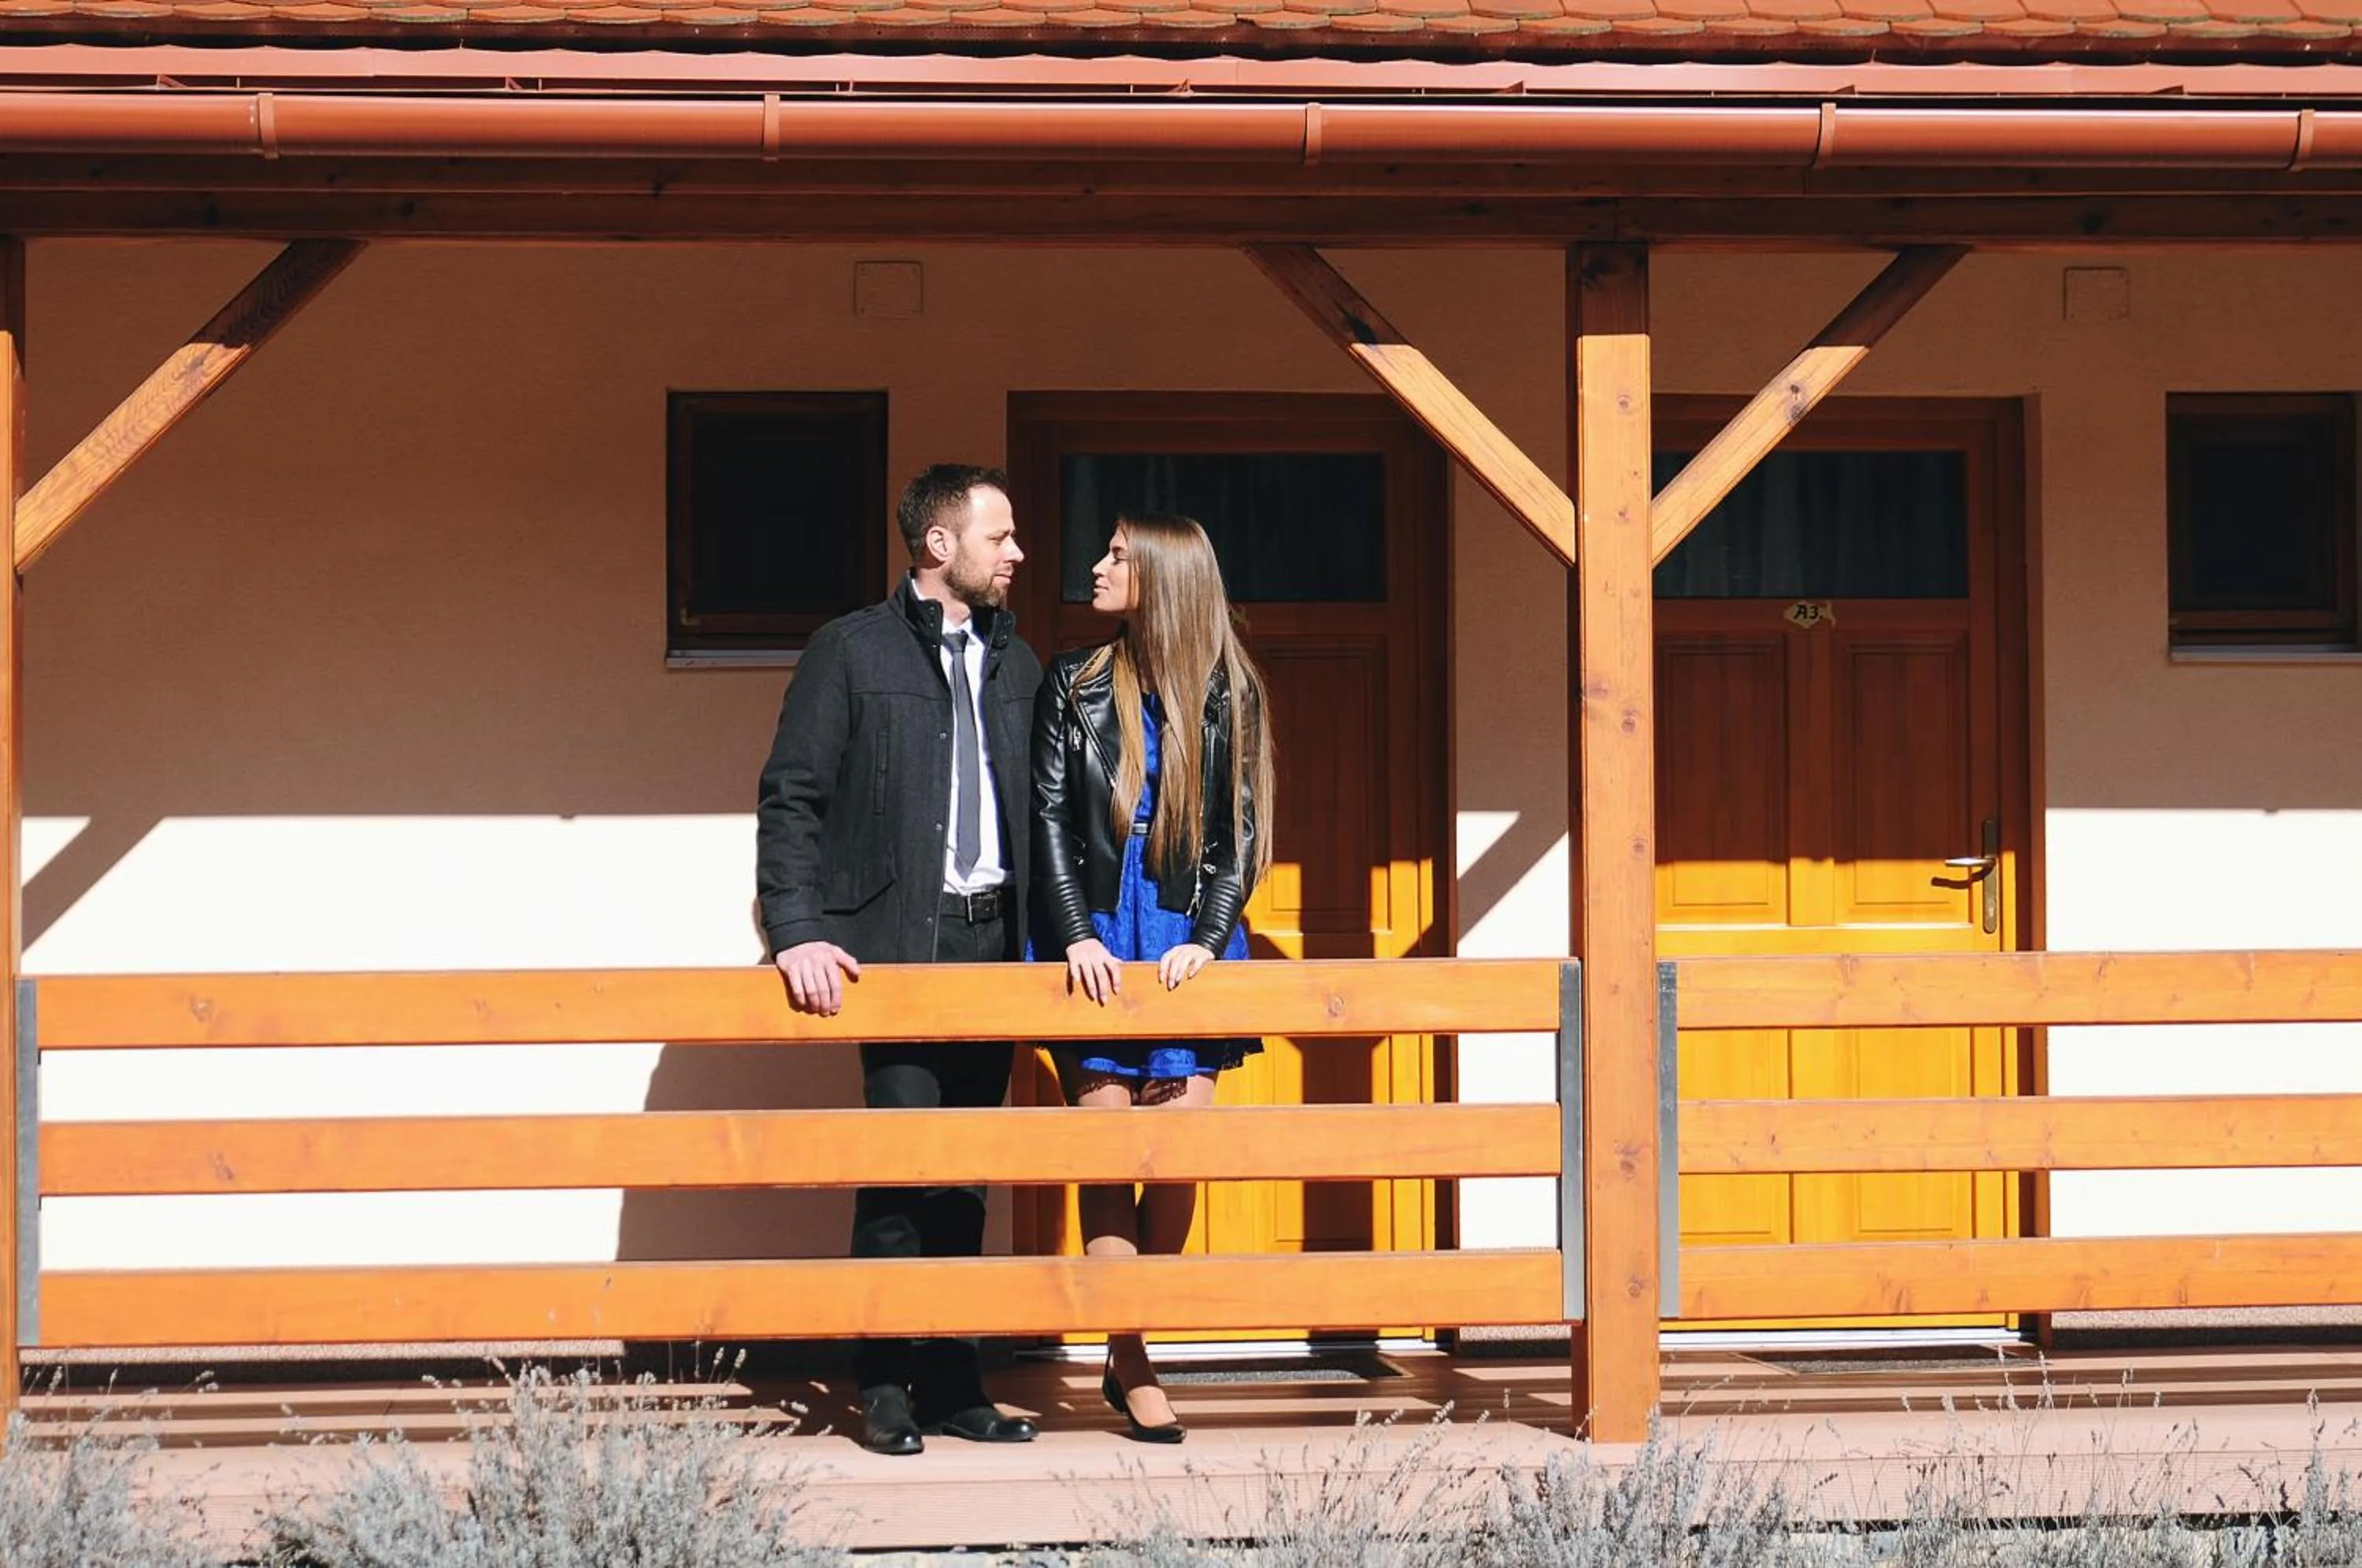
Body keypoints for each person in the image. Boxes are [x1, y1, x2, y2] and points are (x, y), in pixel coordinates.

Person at [756, 463, 1043, 1457]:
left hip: (993, 943)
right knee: (900, 1167)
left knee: (968, 1176)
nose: (1016, 554)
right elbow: (792, 793)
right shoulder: (851, 650)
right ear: (940, 546)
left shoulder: (1018, 662)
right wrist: (794, 929)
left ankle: (955, 1380)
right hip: (893, 948)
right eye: (999, 536)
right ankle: (883, 1385)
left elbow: (1043, 817)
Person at [1030, 512, 1275, 1445]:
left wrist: (1211, 937)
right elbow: (1048, 818)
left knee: (1175, 1149)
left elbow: (1240, 832)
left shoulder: (1228, 691)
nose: (1096, 567)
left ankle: (1125, 1343)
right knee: (1107, 1142)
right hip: (1095, 931)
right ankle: (1134, 1360)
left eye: (1118, 557)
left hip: (1183, 935)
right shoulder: (1075, 681)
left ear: (1165, 577)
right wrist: (1073, 935)